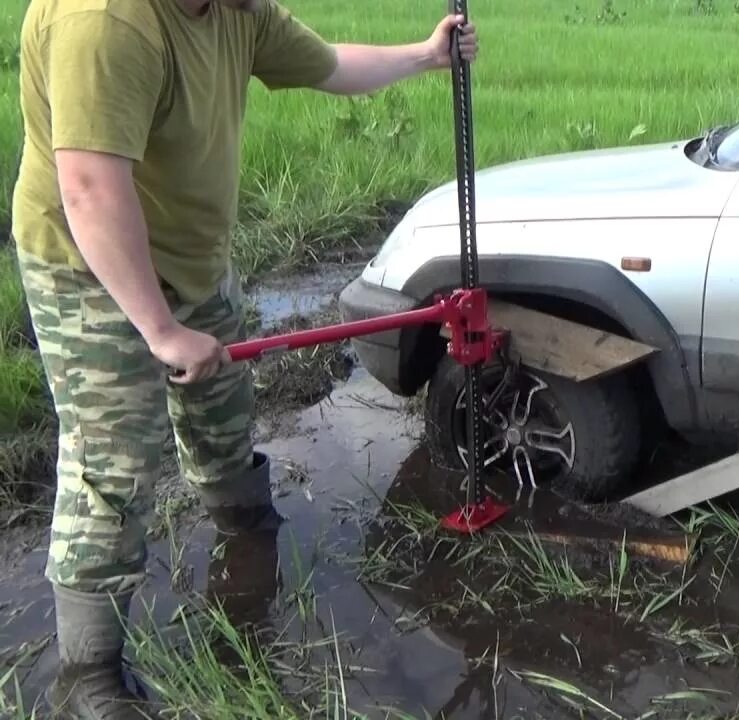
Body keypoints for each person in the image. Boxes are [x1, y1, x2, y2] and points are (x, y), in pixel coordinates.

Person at [12, 1, 477, 717]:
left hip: (192, 254)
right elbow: (90, 189)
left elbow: (327, 64)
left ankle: (242, 528)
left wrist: (426, 54)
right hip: (89, 268)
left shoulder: (235, 9)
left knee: (223, 407)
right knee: (113, 461)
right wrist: (161, 331)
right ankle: (89, 673)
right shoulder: (104, 19)